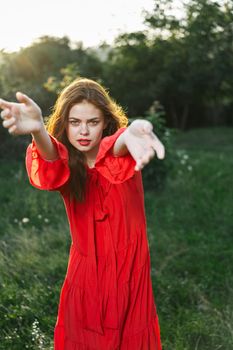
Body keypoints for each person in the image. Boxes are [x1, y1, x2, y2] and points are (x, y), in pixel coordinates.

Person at [0, 78, 165, 350]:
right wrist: (39, 130)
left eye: (93, 122)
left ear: (105, 122)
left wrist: (132, 130)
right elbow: (52, 156)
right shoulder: (68, 166)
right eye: (75, 122)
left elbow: (117, 144)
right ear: (65, 124)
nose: (84, 131)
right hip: (86, 277)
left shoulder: (120, 155)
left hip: (129, 275)